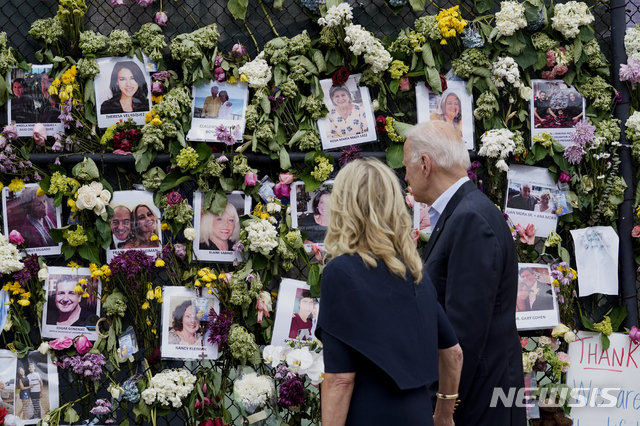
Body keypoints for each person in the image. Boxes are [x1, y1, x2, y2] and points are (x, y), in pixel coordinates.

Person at [317, 157, 463, 425]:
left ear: (343, 207)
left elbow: (339, 381)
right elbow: (453, 353)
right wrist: (444, 414)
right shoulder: (414, 272)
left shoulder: (340, 273)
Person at [403, 121, 525, 425]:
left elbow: (463, 334)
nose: (405, 176)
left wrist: (441, 407)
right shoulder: (465, 212)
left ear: (425, 164)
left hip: (478, 406)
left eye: (406, 166)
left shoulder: (470, 218)